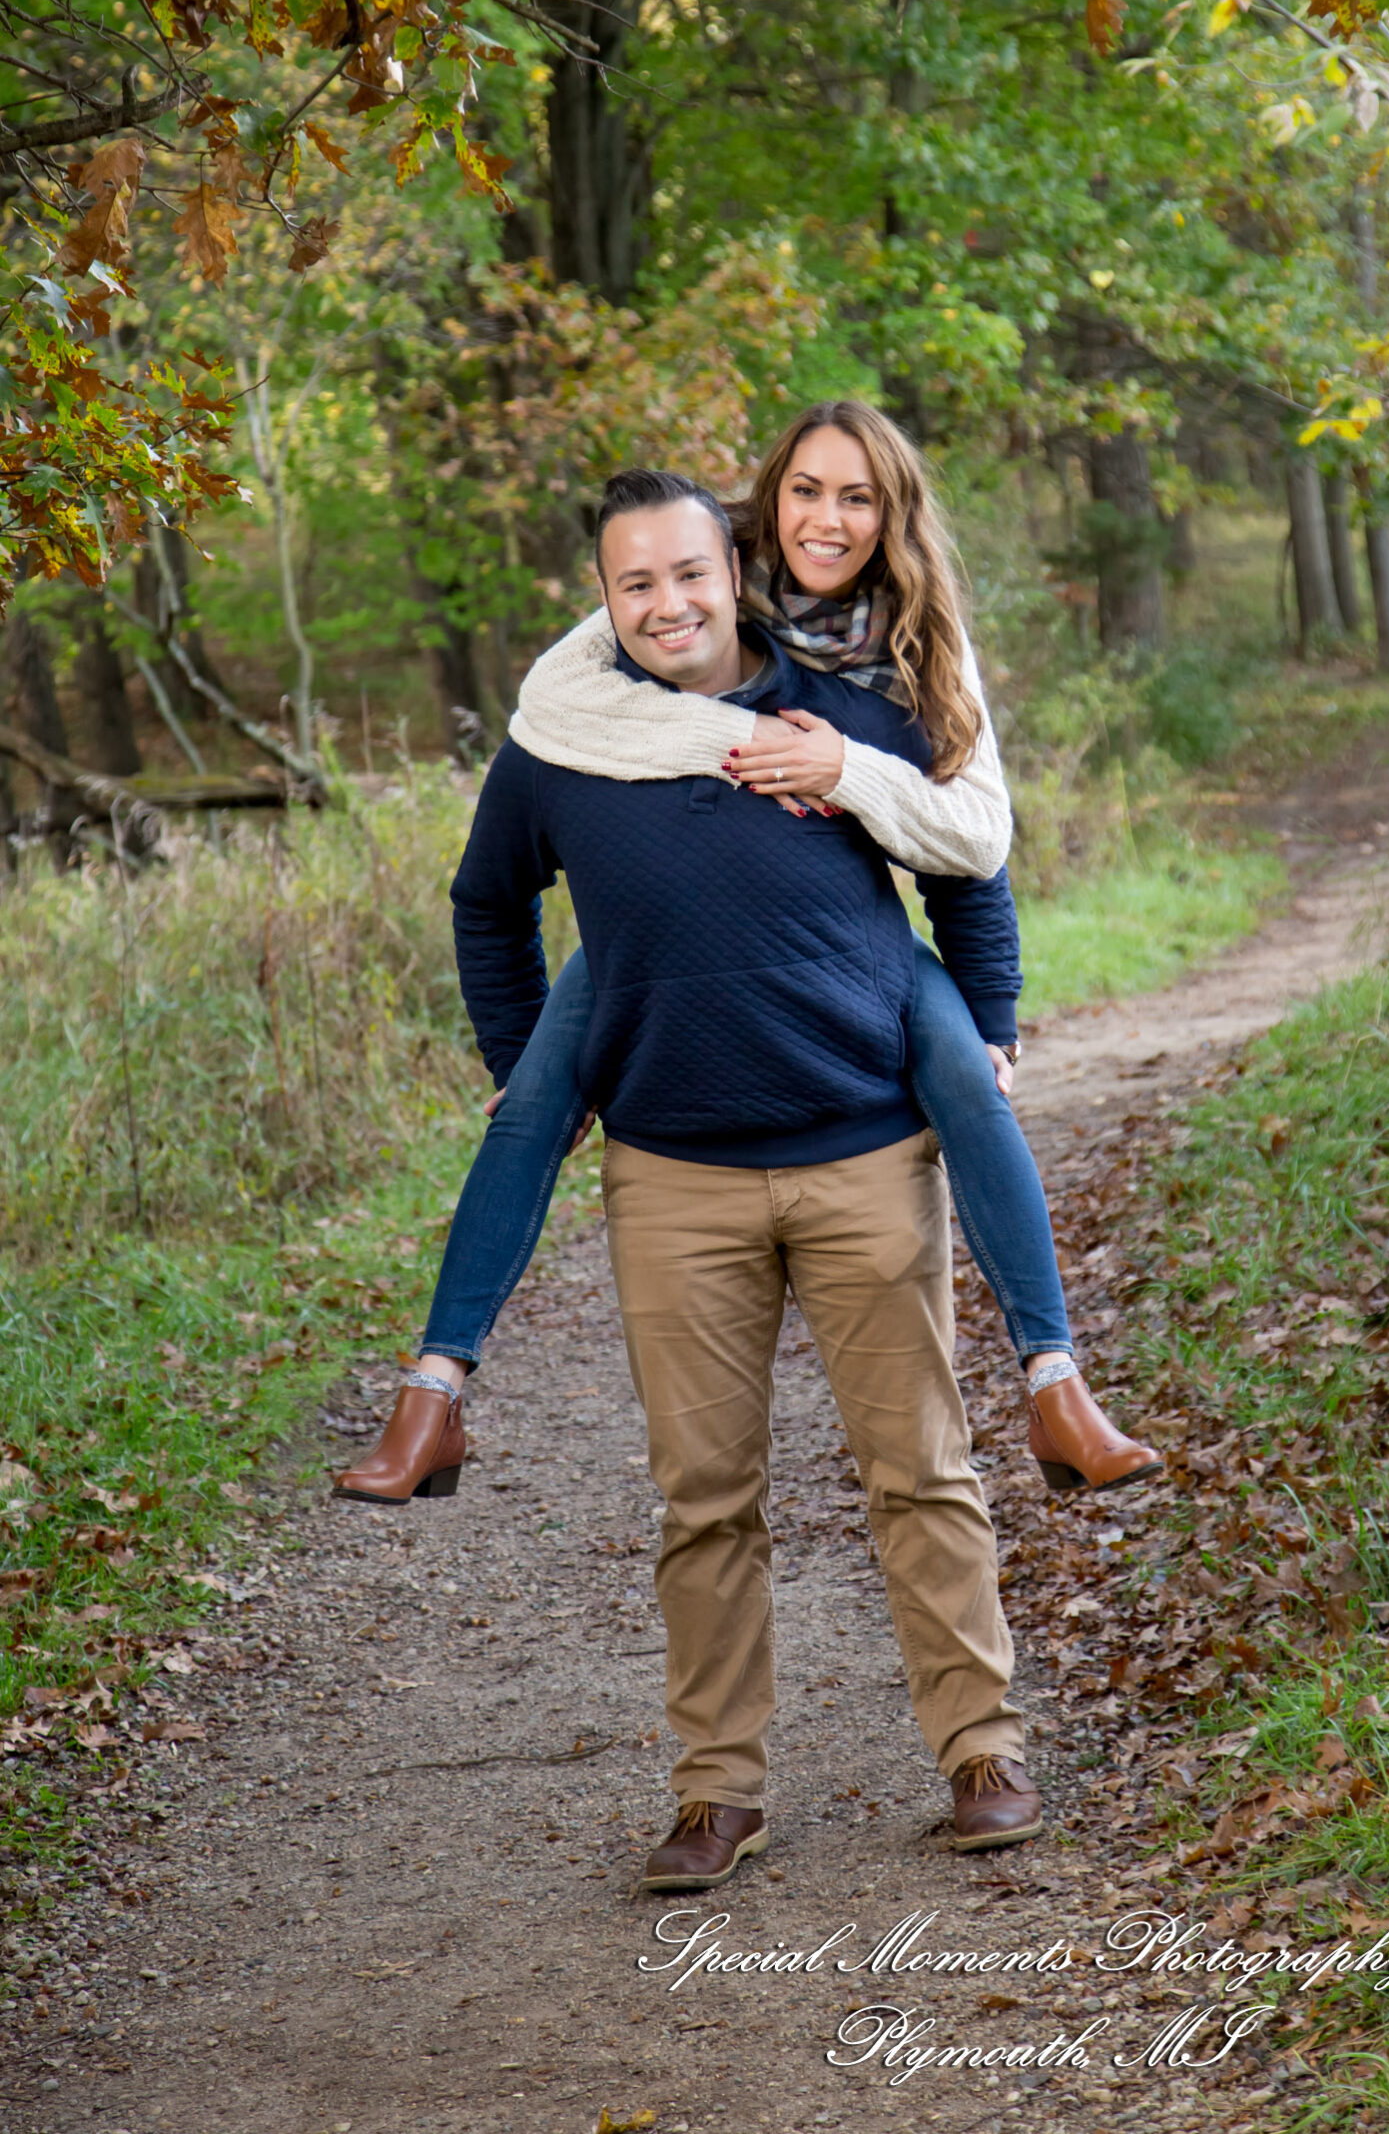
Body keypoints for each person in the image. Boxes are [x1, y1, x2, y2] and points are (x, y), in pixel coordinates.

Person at [355, 465, 1045, 1880]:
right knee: (704, 1497)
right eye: (633, 585)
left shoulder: (835, 713)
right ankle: (715, 1792)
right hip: (672, 1179)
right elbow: (487, 899)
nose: (666, 604)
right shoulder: (565, 745)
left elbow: (966, 872)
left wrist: (987, 1038)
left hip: (861, 1155)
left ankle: (982, 1751)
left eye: (686, 574)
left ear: (729, 572)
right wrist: (521, 1060)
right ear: (604, 602)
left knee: (918, 1468)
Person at [334, 401, 1157, 1514]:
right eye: (807, 491)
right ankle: (429, 1396)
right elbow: (498, 866)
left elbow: (966, 843)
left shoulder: (910, 654)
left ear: (888, 518)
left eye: (857, 497)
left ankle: (1056, 1385)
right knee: (527, 1102)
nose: (828, 518)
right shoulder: (616, 659)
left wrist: (992, 1007)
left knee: (970, 1075)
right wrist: (517, 1047)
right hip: (635, 967)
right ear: (760, 512)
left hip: (865, 954)